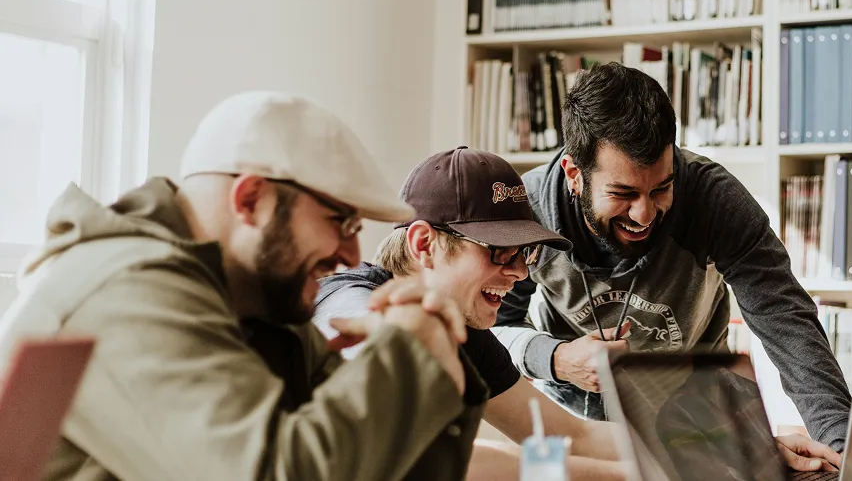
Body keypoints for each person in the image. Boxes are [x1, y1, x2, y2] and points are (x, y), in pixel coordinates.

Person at [0, 91, 488, 481]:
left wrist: (435, 352)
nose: (351, 256)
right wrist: (406, 353)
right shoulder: (127, 291)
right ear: (251, 198)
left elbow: (385, 467)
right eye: (340, 221)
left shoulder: (255, 301)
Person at [491, 61, 852, 457]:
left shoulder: (714, 200)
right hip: (571, 424)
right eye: (623, 194)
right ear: (574, 173)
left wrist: (843, 451)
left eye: (661, 188)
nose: (644, 214)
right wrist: (554, 358)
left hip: (695, 416)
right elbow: (492, 328)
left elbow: (787, 321)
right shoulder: (528, 214)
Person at [312, 146, 629, 481]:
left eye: (526, 252)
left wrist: (677, 446)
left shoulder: (462, 329)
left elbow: (573, 437)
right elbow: (439, 461)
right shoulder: (345, 300)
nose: (520, 272)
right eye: (500, 251)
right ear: (424, 244)